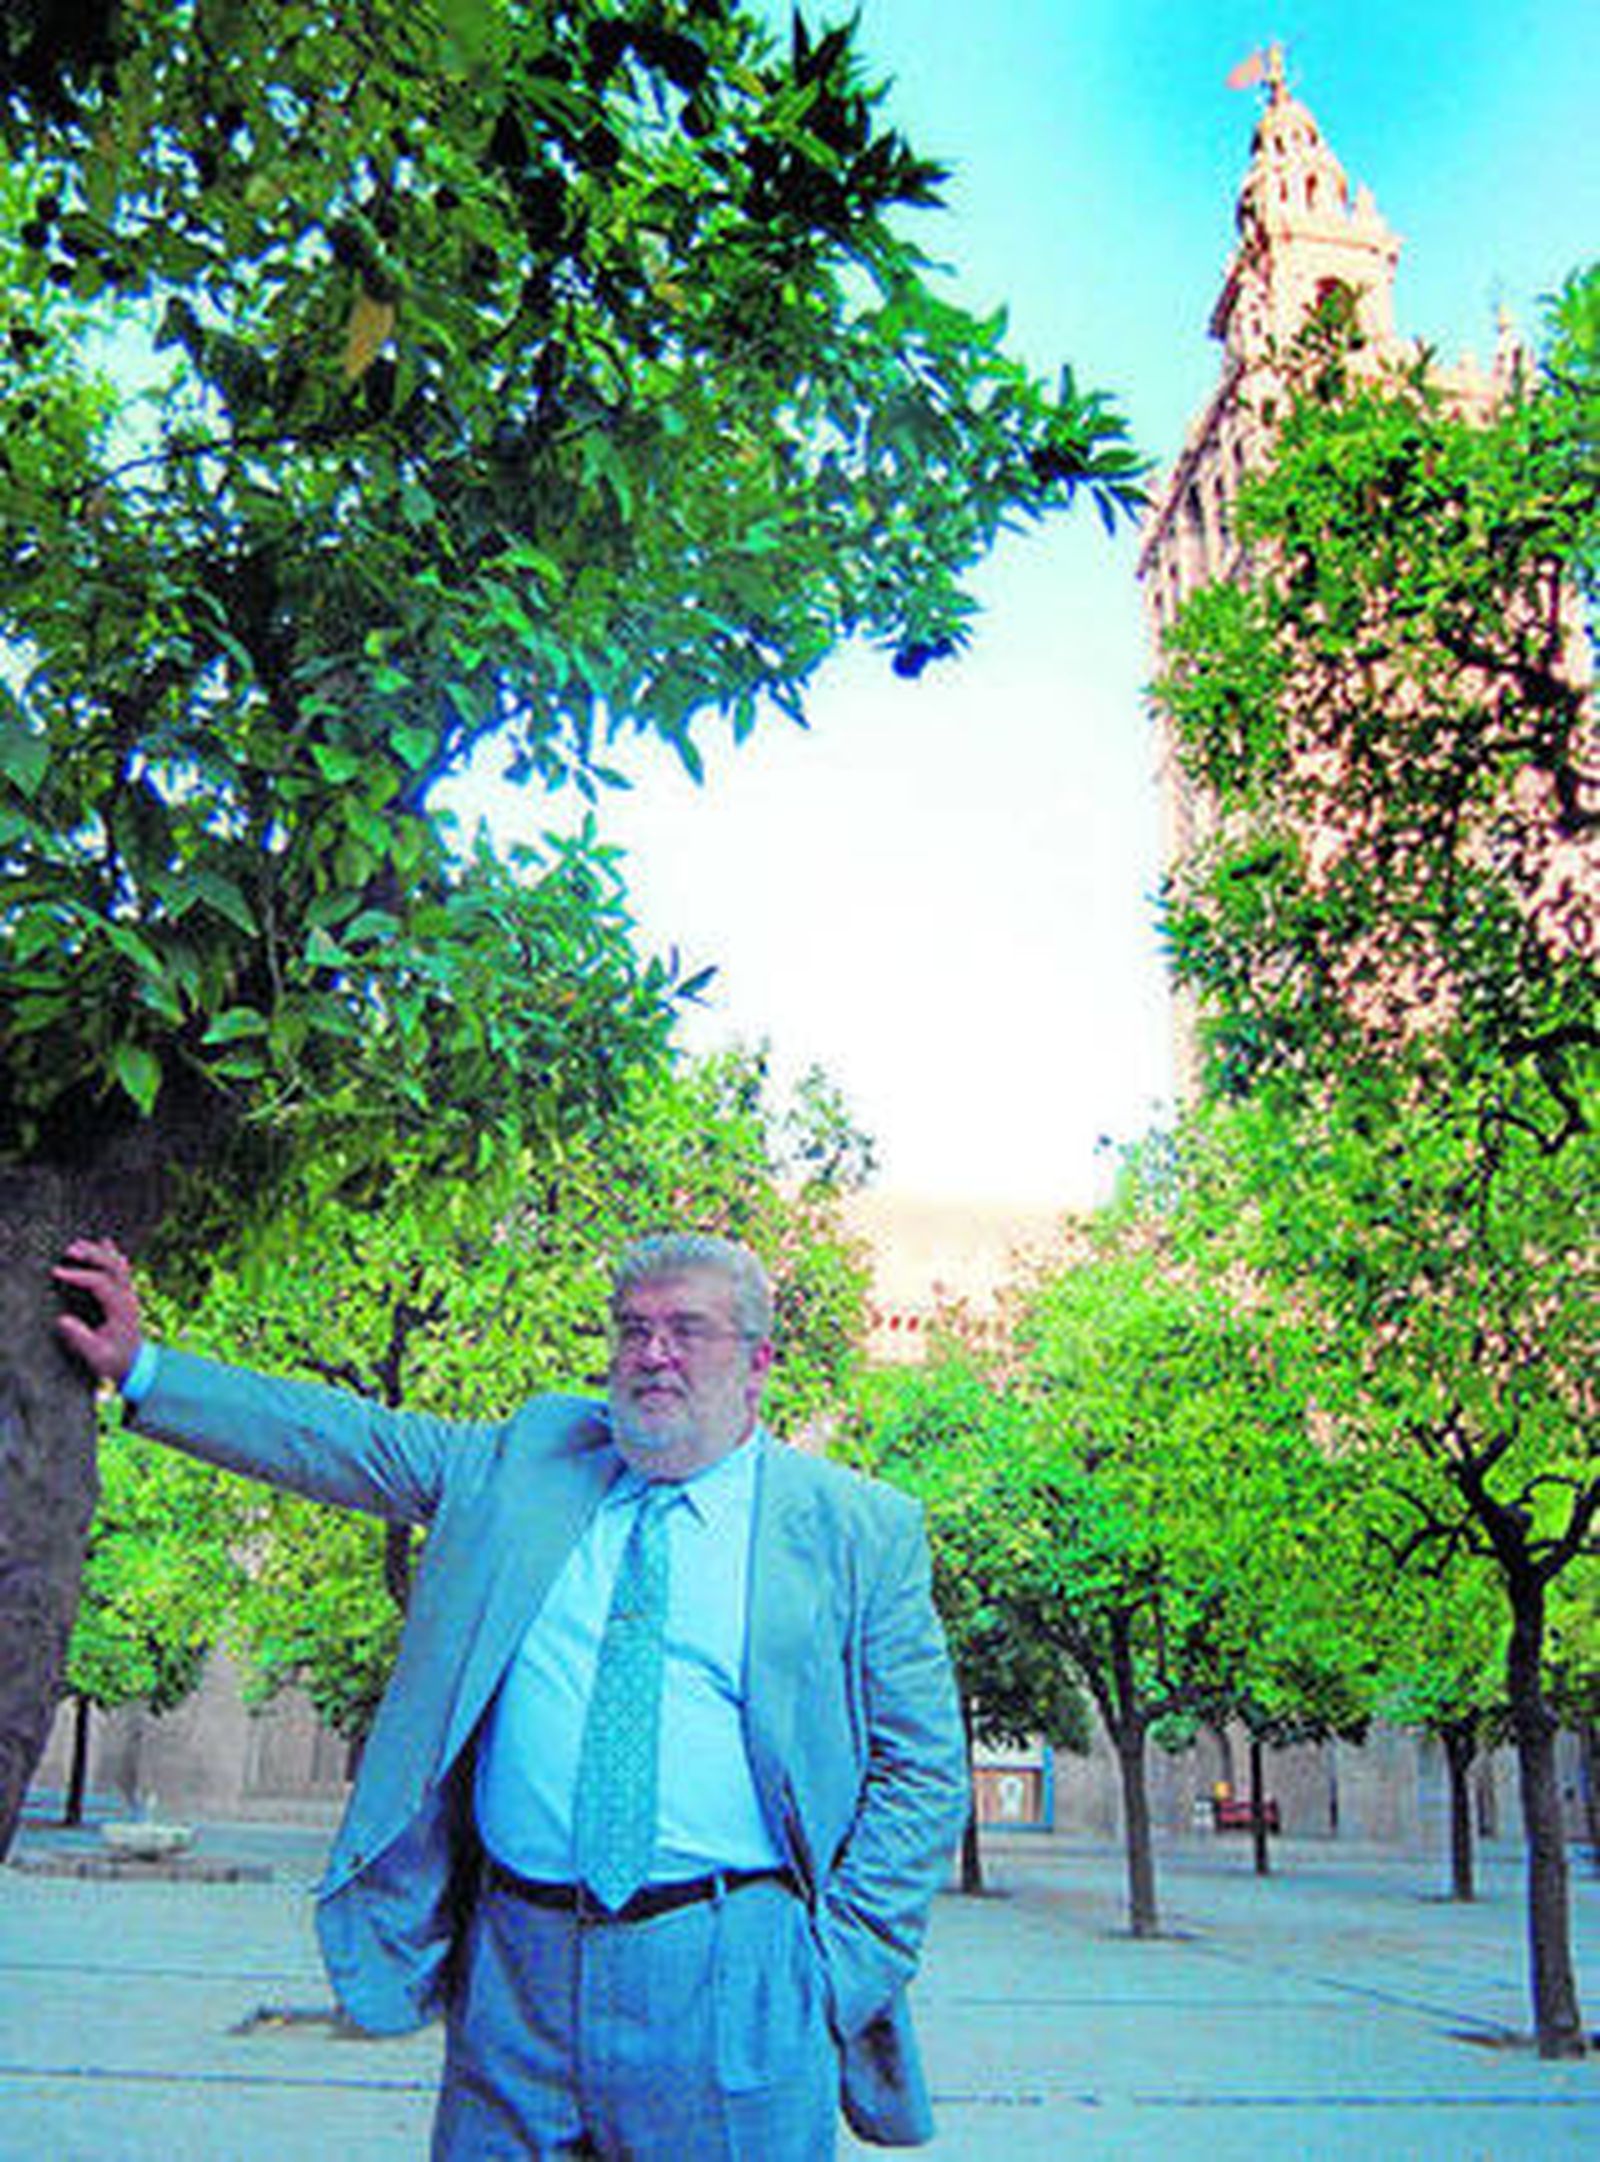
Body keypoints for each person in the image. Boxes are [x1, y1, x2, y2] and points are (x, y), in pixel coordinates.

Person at [53, 1230, 967, 2158]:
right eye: (632, 1330)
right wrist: (144, 1369)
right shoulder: (528, 1463)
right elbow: (342, 1440)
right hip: (516, 1974)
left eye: (687, 1330)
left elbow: (922, 1773)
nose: (652, 1354)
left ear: (760, 1360)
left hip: (736, 1976)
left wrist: (836, 1973)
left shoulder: (856, 1529)